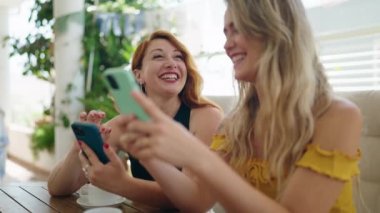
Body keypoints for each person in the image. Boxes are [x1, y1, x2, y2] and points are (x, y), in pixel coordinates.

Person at [116, 0, 363, 212]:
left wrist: (195, 154)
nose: (226, 45)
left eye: (237, 30)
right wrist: (146, 154)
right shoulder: (236, 123)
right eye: (225, 33)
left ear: (275, 30)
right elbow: (196, 201)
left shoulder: (336, 116)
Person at [47, 30, 223, 209]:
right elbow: (57, 188)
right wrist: (80, 147)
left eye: (178, 57)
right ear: (139, 75)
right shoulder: (126, 123)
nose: (171, 63)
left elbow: (193, 199)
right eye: (158, 57)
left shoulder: (206, 116)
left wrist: (121, 183)